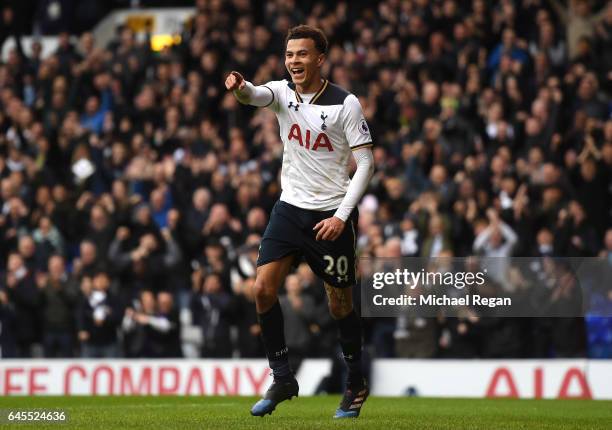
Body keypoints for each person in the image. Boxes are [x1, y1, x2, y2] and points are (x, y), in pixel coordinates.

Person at [225, 25, 374, 418]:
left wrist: (343, 216)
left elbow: (366, 163)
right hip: (290, 208)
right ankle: (282, 376)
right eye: (290, 55)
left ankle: (356, 381)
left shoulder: (346, 104)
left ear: (320, 59)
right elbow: (254, 95)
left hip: (331, 214)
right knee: (261, 289)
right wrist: (240, 86)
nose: (294, 61)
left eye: (302, 54)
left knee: (339, 303)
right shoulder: (282, 93)